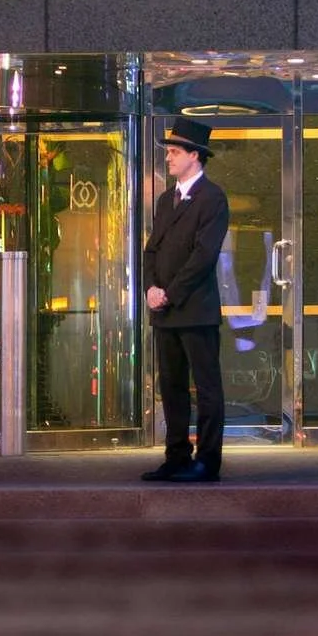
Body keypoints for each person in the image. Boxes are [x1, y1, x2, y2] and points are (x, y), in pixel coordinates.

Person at [140, 116, 230, 483]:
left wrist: (170, 293)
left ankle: (207, 461)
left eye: (175, 152)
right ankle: (176, 456)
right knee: (171, 387)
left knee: (207, 389)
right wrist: (150, 289)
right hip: (164, 312)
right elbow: (151, 250)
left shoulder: (213, 198)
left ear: (195, 156)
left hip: (195, 311)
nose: (169, 158)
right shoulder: (165, 200)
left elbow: (203, 256)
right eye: (169, 152)